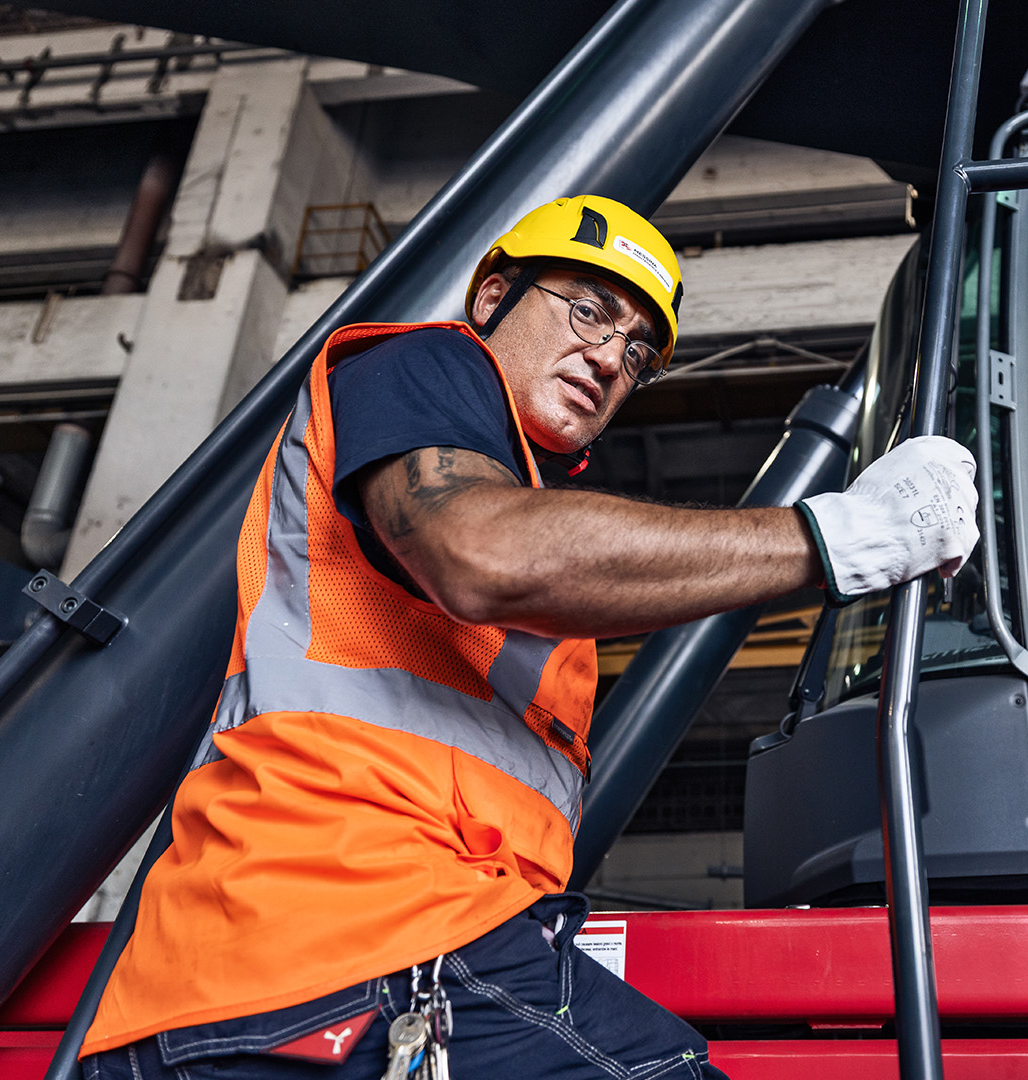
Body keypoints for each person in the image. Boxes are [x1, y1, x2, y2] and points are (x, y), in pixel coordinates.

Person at [79, 195, 978, 1078]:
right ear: (491, 300)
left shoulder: (552, 541)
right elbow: (478, 554)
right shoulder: (424, 368)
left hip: (368, 945)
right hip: (344, 928)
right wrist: (839, 537)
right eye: (588, 309)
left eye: (637, 354)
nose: (609, 356)